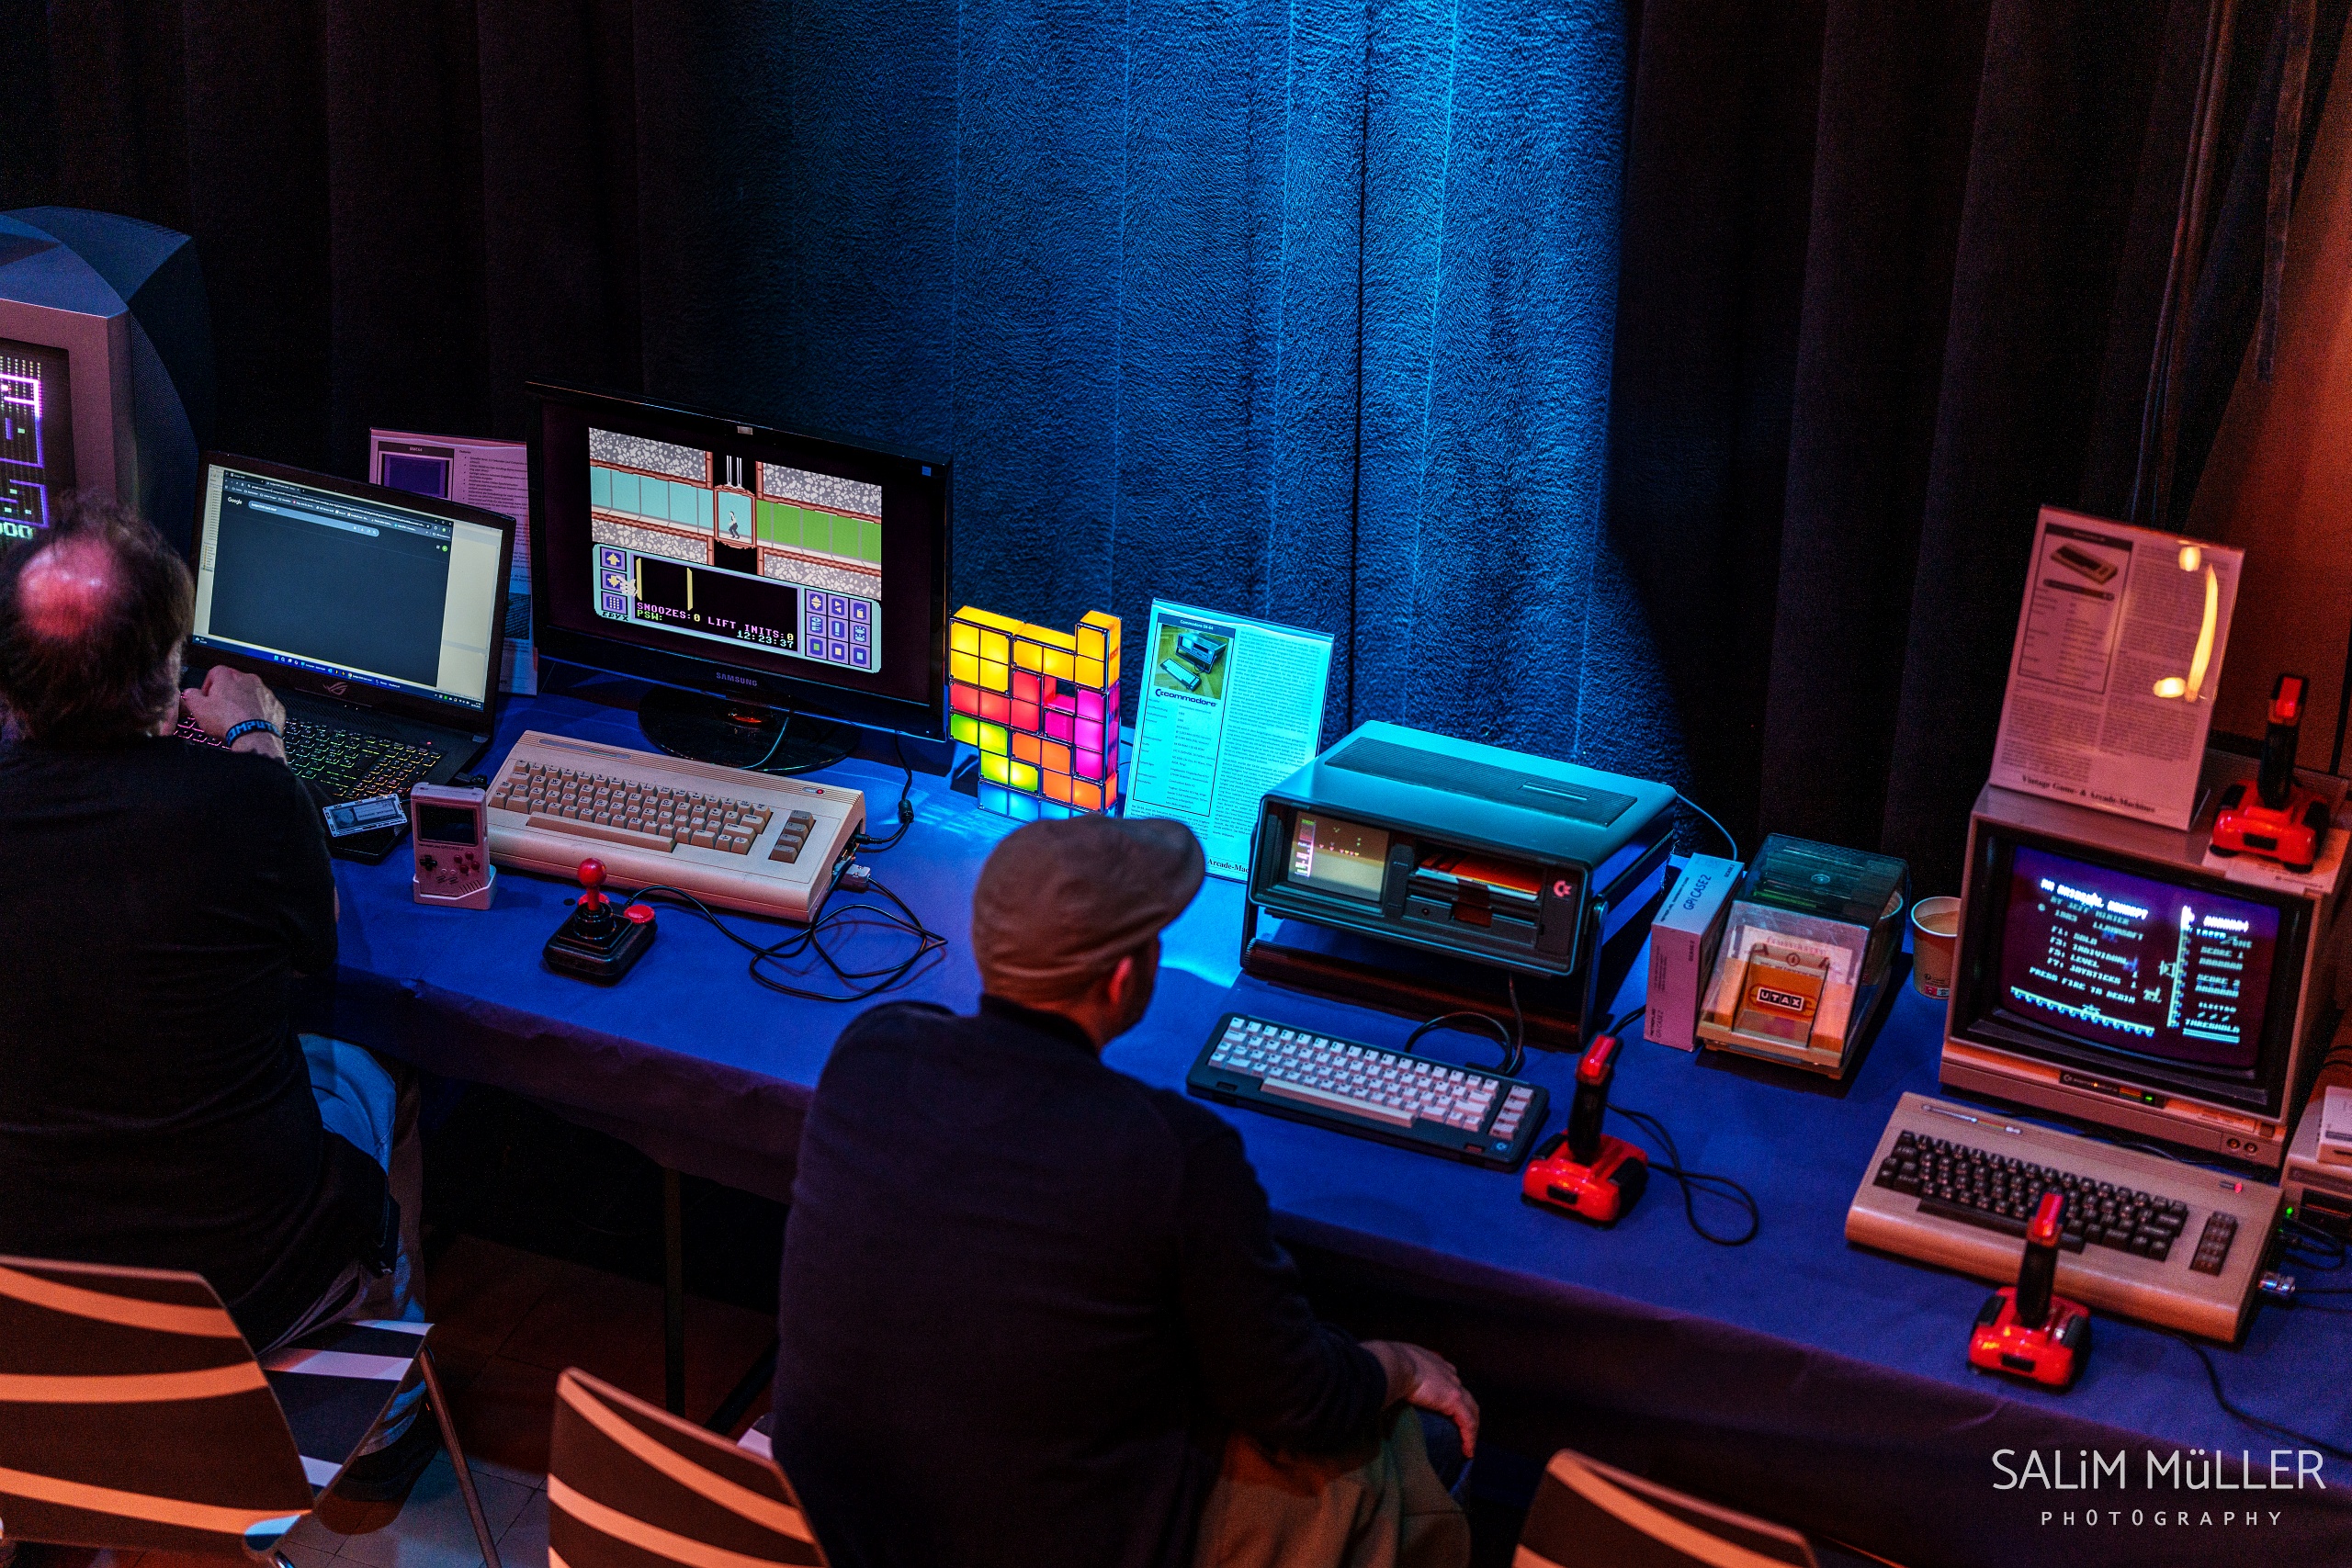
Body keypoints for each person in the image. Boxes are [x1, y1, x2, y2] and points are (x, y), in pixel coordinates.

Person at [772, 814, 1476, 1568]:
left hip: (839, 1521)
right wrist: (1400, 1362)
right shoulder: (1174, 1152)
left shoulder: (871, 1051)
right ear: (1122, 978)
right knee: (1418, 1441)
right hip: (1035, 1547)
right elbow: (1300, 1402)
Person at [0, 498, 433, 1496]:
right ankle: (384, 1428)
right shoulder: (245, 804)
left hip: (31, 1313)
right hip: (245, 1287)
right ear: (166, 673)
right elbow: (316, 944)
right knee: (377, 1074)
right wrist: (252, 735)